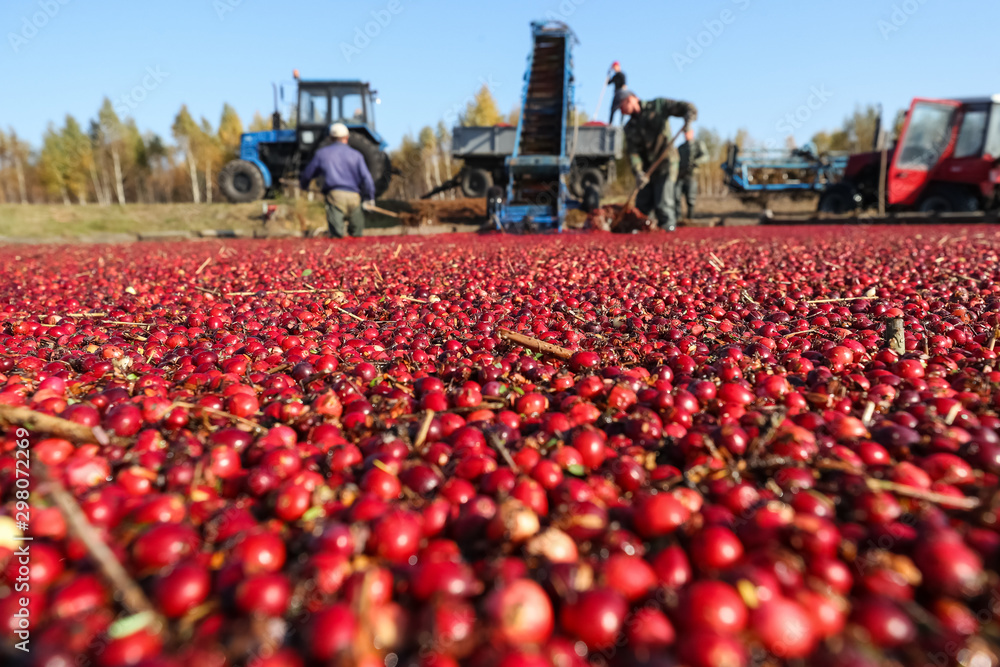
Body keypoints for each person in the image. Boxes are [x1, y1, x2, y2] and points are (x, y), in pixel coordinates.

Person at [616, 89, 697, 231]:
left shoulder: (658, 105)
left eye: (621, 107)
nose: (621, 111)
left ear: (629, 100)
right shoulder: (629, 127)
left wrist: (688, 117)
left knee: (663, 203)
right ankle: (645, 241)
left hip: (666, 162)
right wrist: (638, 172)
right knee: (642, 206)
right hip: (647, 169)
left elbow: (686, 107)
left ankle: (668, 235)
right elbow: (634, 153)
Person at [299, 123, 375, 239]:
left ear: (331, 137)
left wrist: (303, 186)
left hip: (335, 197)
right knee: (357, 236)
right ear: (347, 137)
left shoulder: (322, 154)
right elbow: (367, 179)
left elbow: (308, 174)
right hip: (354, 198)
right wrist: (369, 197)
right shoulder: (357, 155)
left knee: (337, 237)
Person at [675, 137, 709, 222]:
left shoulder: (698, 145)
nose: (686, 134)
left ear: (692, 132)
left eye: (688, 131)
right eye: (685, 132)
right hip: (680, 175)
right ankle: (678, 219)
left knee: (690, 199)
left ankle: (690, 219)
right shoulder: (681, 147)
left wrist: (696, 161)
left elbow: (705, 156)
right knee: (676, 196)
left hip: (691, 175)